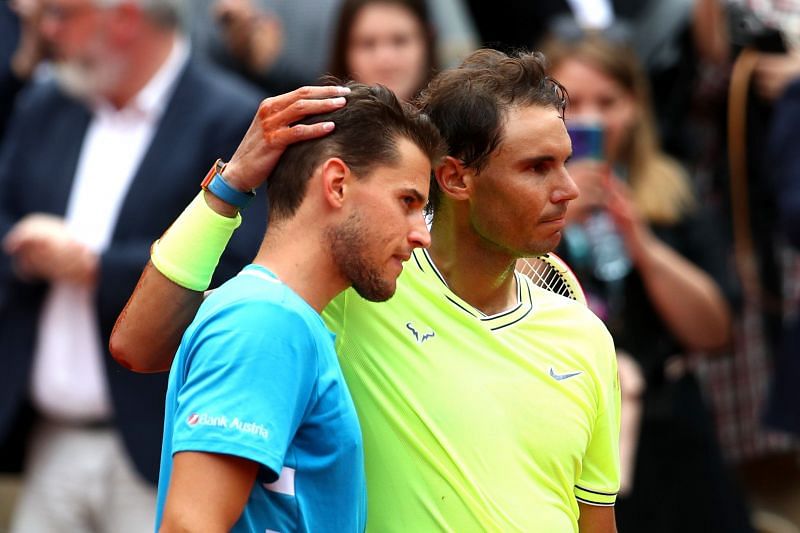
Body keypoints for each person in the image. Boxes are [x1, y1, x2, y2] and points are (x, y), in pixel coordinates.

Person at [112, 49, 621, 532]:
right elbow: (143, 343)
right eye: (537, 166)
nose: (569, 189)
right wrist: (232, 183)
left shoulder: (586, 337)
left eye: (565, 162)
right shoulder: (354, 286)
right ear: (456, 180)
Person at [0, 0, 268, 530]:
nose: (45, 30)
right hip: (48, 436)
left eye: (61, 14)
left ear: (122, 19)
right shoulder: (47, 104)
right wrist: (24, 249)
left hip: (164, 443)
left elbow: (241, 266)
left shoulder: (233, 116)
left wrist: (95, 265)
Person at [155, 81, 444, 532]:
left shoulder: (274, 317)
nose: (420, 233)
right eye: (407, 201)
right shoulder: (266, 322)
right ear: (337, 184)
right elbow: (189, 525)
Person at [542, 31, 753, 532]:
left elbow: (717, 332)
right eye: (570, 103)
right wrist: (557, 225)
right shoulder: (519, 206)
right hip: (570, 425)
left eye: (608, 102)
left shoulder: (673, 189)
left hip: (670, 426)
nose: (589, 119)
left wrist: (641, 241)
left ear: (636, 105)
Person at [327, 0, 437, 103]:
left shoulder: (453, 120)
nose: (385, 58)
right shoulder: (315, 121)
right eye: (367, 43)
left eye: (400, 41)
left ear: (427, 41)